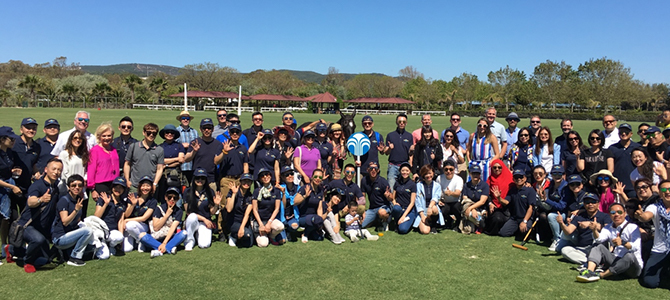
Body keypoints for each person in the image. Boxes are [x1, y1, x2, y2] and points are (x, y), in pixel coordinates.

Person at [9, 158, 61, 273]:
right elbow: (30, 202)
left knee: (46, 259)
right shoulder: (38, 185)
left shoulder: (55, 186)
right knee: (38, 240)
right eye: (54, 169)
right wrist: (40, 199)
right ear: (46, 170)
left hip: (42, 227)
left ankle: (13, 250)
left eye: (59, 170)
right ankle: (28, 262)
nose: (56, 172)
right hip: (27, 224)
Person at [576, 203, 642, 282]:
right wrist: (594, 230)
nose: (616, 215)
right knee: (598, 246)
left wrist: (623, 243)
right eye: (613, 213)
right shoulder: (608, 227)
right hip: (615, 259)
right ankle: (589, 271)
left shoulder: (633, 227)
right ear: (610, 215)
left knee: (629, 256)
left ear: (625, 214)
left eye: (619, 212)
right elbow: (599, 239)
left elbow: (635, 247)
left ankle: (602, 275)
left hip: (632, 267)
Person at [556, 192, 611, 265]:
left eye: (593, 202)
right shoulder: (579, 216)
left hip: (596, 247)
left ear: (598, 204)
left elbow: (609, 231)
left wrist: (591, 224)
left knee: (596, 244)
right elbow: (568, 231)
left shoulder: (605, 216)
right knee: (565, 250)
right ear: (584, 204)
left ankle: (593, 261)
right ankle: (589, 262)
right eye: (587, 202)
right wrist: (561, 223)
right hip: (582, 248)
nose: (590, 204)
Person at [51, 174, 93, 266]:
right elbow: (65, 222)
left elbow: (77, 220)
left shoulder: (78, 200)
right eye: (73, 185)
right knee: (88, 231)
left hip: (70, 234)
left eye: (80, 185)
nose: (77, 188)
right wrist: (76, 210)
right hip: (60, 238)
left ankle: (64, 253)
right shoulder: (64, 200)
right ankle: (74, 258)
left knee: (92, 247)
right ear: (68, 187)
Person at [636, 179, 670, 288]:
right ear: (659, 192)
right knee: (650, 282)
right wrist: (641, 216)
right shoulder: (654, 207)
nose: (667, 192)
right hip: (660, 249)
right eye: (664, 189)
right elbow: (646, 216)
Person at [138, 187, 187, 258]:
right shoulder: (158, 208)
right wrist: (167, 215)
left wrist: (164, 243)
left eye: (175, 198)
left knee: (184, 233)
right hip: (157, 236)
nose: (172, 199)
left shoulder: (179, 211)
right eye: (169, 197)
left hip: (169, 237)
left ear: (178, 199)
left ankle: (159, 251)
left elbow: (173, 228)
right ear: (165, 197)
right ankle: (169, 248)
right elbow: (156, 227)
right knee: (142, 236)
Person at [183, 168, 222, 250]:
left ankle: (197, 235)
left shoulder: (210, 191)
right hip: (193, 220)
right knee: (192, 217)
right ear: (194, 179)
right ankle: (190, 240)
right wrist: (204, 219)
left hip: (205, 223)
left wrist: (216, 205)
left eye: (203, 178)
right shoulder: (187, 191)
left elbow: (212, 212)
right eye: (197, 178)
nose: (200, 180)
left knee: (204, 245)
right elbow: (188, 212)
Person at [185, 118, 226, 192]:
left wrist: (224, 152)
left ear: (213, 129)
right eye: (204, 128)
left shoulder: (218, 144)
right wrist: (194, 151)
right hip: (196, 179)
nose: (207, 130)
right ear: (200, 129)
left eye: (209, 128)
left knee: (212, 202)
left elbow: (217, 161)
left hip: (211, 180)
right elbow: (187, 159)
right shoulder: (195, 142)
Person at [87, 123, 119, 214]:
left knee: (113, 209)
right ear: (99, 136)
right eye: (104, 136)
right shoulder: (95, 150)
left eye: (109, 135)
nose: (106, 138)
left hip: (114, 183)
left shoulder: (113, 149)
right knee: (103, 209)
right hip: (101, 184)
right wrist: (92, 189)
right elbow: (91, 170)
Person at [0, 127, 23, 255]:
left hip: (5, 189)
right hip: (3, 188)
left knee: (5, 218)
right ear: (2, 139)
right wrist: (12, 187)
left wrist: (13, 172)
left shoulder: (8, 152)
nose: (14, 140)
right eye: (11, 138)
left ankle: (4, 247)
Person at [124, 123, 164, 193]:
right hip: (134, 185)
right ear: (143, 133)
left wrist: (155, 183)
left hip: (150, 186)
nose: (151, 135)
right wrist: (127, 180)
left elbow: (160, 168)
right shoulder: (133, 147)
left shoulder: (159, 150)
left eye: (154, 133)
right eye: (149, 133)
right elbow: (127, 164)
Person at [94, 177, 127, 259]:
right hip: (101, 230)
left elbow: (120, 220)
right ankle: (101, 243)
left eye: (121, 187)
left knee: (119, 237)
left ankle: (111, 245)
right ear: (112, 187)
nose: (118, 189)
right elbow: (96, 216)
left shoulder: (122, 203)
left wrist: (120, 241)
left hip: (112, 231)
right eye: (116, 187)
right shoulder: (104, 197)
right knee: (104, 256)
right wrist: (105, 204)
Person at [121, 176, 157, 253]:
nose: (145, 188)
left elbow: (144, 218)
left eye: (148, 186)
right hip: (130, 227)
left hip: (143, 226)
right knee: (127, 249)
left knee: (130, 225)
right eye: (143, 185)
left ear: (151, 187)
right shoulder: (133, 196)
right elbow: (126, 214)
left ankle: (141, 240)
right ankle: (138, 239)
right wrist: (133, 205)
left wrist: (127, 220)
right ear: (140, 186)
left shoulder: (152, 200)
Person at [251, 168, 285, 247]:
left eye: (267, 174)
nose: (265, 177)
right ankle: (259, 234)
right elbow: (255, 210)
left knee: (280, 226)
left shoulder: (276, 191)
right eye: (262, 176)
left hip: (270, 220)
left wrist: (269, 223)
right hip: (259, 220)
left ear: (270, 176)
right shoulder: (256, 191)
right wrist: (261, 225)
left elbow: (277, 208)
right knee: (263, 244)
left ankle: (271, 236)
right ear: (260, 179)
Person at [498, 169, 536, 238]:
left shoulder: (530, 190)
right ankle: (517, 229)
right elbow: (506, 202)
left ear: (525, 178)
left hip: (526, 218)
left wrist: (524, 221)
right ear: (513, 179)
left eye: (521, 177)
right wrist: (499, 198)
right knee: (503, 233)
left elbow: (531, 208)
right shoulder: (512, 189)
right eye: (516, 177)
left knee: (524, 233)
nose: (518, 179)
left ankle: (530, 229)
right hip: (515, 218)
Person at [215, 122, 247, 198]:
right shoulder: (223, 145)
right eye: (232, 132)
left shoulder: (243, 148)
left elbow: (245, 164)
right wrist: (224, 152)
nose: (235, 134)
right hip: (226, 179)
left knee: (239, 202)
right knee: (224, 204)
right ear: (229, 133)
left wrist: (245, 178)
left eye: (237, 132)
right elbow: (216, 161)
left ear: (240, 133)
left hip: (239, 180)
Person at [12, 118, 41, 201]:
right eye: (28, 128)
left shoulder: (36, 146)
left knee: (25, 211)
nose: (31, 130)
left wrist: (36, 172)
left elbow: (33, 163)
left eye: (34, 128)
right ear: (21, 130)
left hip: (26, 185)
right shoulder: (14, 143)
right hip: (12, 183)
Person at [294, 169, 326, 243]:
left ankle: (312, 230)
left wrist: (320, 220)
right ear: (312, 177)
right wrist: (305, 196)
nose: (318, 179)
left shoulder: (320, 191)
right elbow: (295, 202)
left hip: (314, 217)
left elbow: (319, 208)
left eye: (320, 177)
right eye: (316, 176)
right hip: (302, 217)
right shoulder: (305, 188)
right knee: (314, 219)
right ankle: (305, 234)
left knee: (319, 238)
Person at [383, 113, 413, 189]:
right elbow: (386, 152)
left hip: (404, 166)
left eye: (403, 122)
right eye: (400, 121)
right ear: (396, 122)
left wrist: (411, 163)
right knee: (391, 189)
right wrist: (389, 148)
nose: (401, 123)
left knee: (403, 189)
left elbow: (410, 153)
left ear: (406, 123)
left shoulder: (409, 136)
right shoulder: (390, 135)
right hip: (393, 166)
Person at [610, 123, 640, 198]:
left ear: (631, 134)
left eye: (626, 132)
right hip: (617, 185)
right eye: (621, 132)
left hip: (633, 185)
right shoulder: (612, 148)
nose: (623, 134)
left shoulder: (638, 147)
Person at [360, 161, 392, 231]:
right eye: (371, 168)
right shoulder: (364, 180)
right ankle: (376, 220)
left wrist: (388, 196)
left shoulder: (383, 181)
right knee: (361, 224)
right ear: (367, 170)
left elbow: (391, 198)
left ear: (378, 170)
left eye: (375, 168)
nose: (373, 170)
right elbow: (363, 197)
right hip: (372, 209)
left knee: (382, 213)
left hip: (383, 207)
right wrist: (362, 211)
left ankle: (386, 220)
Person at [543, 165, 568, 251]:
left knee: (551, 216)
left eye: (559, 174)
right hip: (554, 210)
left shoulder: (566, 188)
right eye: (554, 173)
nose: (557, 176)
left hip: (565, 213)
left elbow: (562, 207)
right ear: (551, 175)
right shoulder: (551, 185)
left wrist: (546, 200)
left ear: (563, 175)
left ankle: (557, 239)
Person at [225, 173, 254, 248]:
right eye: (244, 181)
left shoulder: (250, 196)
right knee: (246, 233)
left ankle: (238, 237)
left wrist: (242, 227)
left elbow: (247, 214)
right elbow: (229, 209)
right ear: (240, 182)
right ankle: (233, 235)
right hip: (233, 222)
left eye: (249, 181)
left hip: (244, 222)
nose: (246, 183)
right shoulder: (232, 192)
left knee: (249, 243)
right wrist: (234, 194)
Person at [57, 130, 88, 198]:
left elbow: (86, 170)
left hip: (80, 189)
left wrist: (81, 185)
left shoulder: (83, 155)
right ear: (71, 139)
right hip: (67, 188)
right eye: (75, 138)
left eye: (80, 138)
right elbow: (64, 173)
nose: (77, 140)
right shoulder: (64, 154)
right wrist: (73, 185)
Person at [158, 124, 185, 202]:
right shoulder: (160, 147)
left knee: (177, 197)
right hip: (163, 175)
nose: (169, 134)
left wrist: (166, 164)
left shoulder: (179, 146)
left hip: (176, 175)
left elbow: (181, 160)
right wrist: (175, 159)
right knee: (164, 197)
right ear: (164, 134)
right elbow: (161, 161)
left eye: (172, 133)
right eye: (167, 132)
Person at [414, 165, 444, 234]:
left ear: (433, 173)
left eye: (430, 173)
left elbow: (436, 198)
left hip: (431, 210)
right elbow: (417, 201)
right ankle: (425, 223)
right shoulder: (418, 185)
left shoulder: (437, 186)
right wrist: (422, 216)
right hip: (422, 211)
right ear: (423, 175)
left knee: (434, 208)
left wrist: (430, 207)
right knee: (425, 231)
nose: (428, 175)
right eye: (426, 174)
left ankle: (433, 225)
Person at [460, 165, 489, 234]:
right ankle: (479, 223)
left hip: (481, 209)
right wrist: (472, 209)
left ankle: (481, 223)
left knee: (469, 214)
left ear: (480, 174)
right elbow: (465, 199)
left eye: (477, 173)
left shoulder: (484, 185)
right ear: (470, 173)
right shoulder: (466, 185)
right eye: (473, 173)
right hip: (468, 207)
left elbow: (482, 201)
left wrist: (471, 208)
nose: (475, 175)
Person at [485, 159, 512, 235]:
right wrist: (490, 203)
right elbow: (487, 194)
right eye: (494, 167)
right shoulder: (490, 179)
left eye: (499, 167)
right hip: (495, 206)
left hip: (508, 205)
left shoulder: (509, 177)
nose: (497, 169)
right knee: (497, 219)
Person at [390, 163, 417, 234]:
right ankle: (396, 222)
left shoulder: (412, 184)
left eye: (407, 170)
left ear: (410, 171)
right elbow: (393, 197)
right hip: (399, 209)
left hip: (409, 210)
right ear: (400, 171)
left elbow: (412, 203)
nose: (405, 172)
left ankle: (408, 221)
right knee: (396, 208)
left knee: (403, 230)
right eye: (403, 170)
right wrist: (395, 204)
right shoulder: (397, 182)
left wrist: (404, 216)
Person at [277, 166, 300, 240]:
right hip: (281, 217)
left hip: (292, 216)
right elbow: (283, 206)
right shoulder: (280, 188)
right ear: (283, 177)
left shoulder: (298, 188)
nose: (290, 176)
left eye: (291, 174)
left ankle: (289, 231)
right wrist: (283, 193)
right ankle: (283, 230)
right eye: (287, 175)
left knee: (294, 226)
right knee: (282, 240)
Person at [176, 110, 199, 183]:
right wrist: (182, 145)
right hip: (180, 165)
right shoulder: (176, 131)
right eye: (183, 118)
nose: (185, 120)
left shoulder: (194, 132)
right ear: (180, 120)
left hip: (193, 164)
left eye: (187, 118)